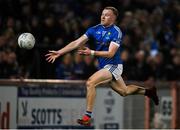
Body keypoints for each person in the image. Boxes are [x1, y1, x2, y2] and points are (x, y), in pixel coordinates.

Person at [45, 6, 159, 126]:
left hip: (114, 65)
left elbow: (111, 54)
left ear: (114, 18)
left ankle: (87, 116)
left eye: (107, 15)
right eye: (102, 14)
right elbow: (77, 42)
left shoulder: (116, 31)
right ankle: (149, 92)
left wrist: (92, 52)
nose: (103, 16)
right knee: (124, 92)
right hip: (105, 67)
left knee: (90, 82)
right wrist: (60, 52)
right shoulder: (94, 30)